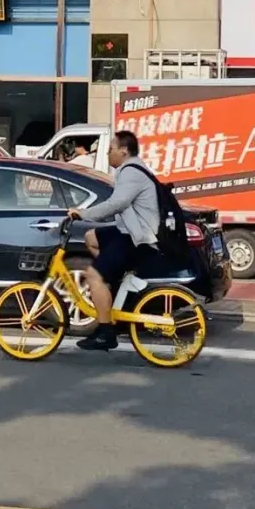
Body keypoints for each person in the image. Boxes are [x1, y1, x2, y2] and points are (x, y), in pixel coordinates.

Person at [65, 129, 161, 352]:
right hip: (129, 231)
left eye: (110, 149)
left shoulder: (131, 172)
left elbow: (117, 203)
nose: (107, 154)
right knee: (91, 237)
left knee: (93, 275)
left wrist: (83, 214)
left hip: (137, 239)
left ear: (124, 151)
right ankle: (112, 283)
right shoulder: (131, 168)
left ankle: (105, 333)